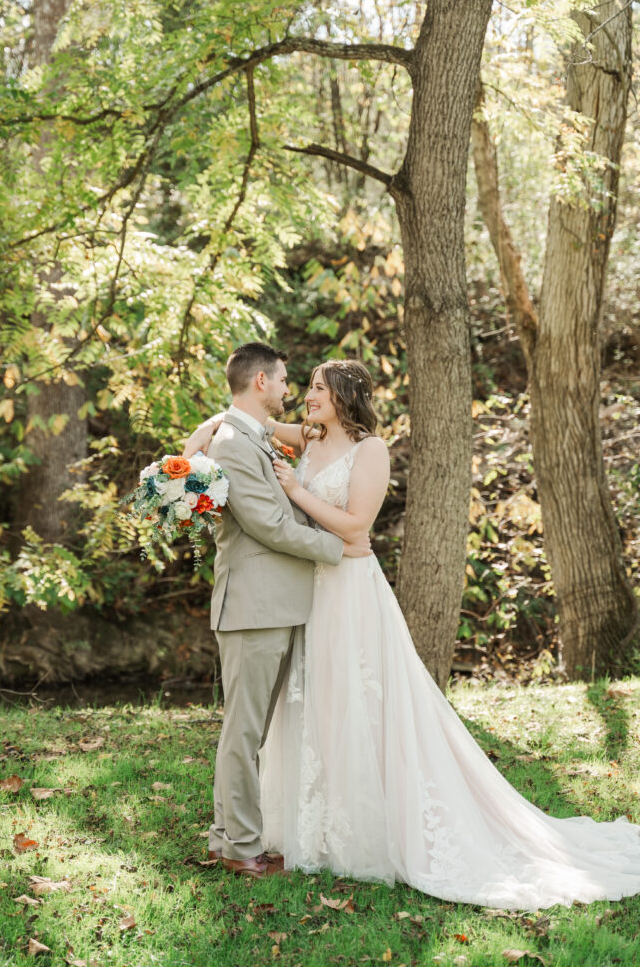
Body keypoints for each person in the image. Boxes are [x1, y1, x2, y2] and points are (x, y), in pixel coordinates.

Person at [190, 355, 640, 909]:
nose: (306, 394)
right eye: (302, 385)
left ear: (345, 397)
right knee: (317, 706)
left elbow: (357, 526)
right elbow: (251, 425)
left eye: (318, 388)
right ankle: (310, 825)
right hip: (309, 592)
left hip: (349, 585)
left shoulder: (371, 450)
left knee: (362, 701)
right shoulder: (308, 436)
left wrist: (297, 492)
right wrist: (211, 428)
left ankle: (363, 823)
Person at [183, 343, 371, 879]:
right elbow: (269, 525)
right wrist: (339, 548)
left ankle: (227, 837)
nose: (291, 389)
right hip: (254, 606)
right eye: (286, 380)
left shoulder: (249, 434)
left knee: (249, 732)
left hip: (273, 603)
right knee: (244, 733)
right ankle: (242, 847)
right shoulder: (234, 443)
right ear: (261, 381)